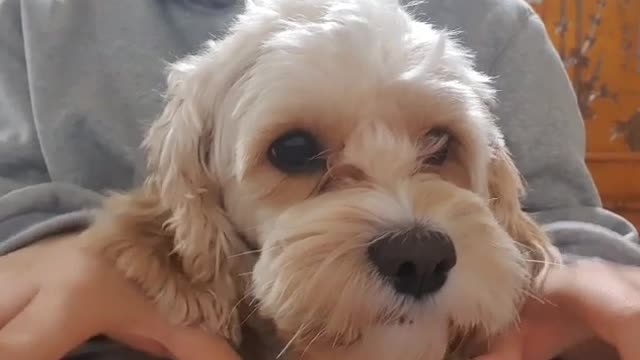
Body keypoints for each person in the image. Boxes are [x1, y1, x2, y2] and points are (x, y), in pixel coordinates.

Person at [0, 0, 638, 359]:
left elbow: (556, 222)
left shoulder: (494, 25)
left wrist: (584, 264)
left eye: (438, 146)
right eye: (299, 152)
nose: (410, 229)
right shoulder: (30, 18)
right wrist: (51, 241)